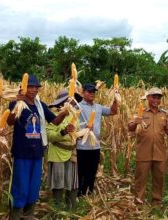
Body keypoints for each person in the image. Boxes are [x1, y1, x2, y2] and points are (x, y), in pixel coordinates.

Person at [7, 74, 69, 219]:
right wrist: (16, 104)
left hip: (37, 152)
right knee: (20, 187)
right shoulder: (17, 103)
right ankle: (15, 216)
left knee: (34, 187)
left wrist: (65, 112)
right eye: (31, 87)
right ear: (24, 88)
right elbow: (9, 122)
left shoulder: (40, 105)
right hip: (22, 152)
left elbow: (55, 121)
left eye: (36, 87)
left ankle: (28, 216)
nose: (34, 89)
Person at [128, 87, 168, 207]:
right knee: (140, 178)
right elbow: (130, 127)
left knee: (159, 178)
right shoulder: (140, 112)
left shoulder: (164, 115)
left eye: (158, 97)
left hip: (160, 153)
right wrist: (135, 122)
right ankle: (139, 201)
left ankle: (156, 202)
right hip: (143, 152)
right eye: (154, 97)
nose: (156, 99)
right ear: (148, 98)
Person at [77, 83, 118, 196]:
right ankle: (79, 194)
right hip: (81, 146)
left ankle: (89, 193)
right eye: (89, 92)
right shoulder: (77, 106)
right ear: (83, 92)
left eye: (93, 92)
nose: (92, 94)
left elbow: (113, 111)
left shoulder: (98, 107)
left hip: (95, 146)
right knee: (81, 171)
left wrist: (115, 98)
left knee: (92, 171)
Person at [46, 90, 83, 209]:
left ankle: (71, 207)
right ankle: (57, 208)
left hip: (72, 152)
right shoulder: (52, 114)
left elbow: (77, 131)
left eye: (73, 101)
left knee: (72, 181)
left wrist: (81, 133)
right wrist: (64, 131)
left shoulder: (74, 114)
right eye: (70, 100)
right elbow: (49, 136)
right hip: (57, 152)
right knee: (58, 182)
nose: (72, 103)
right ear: (63, 101)